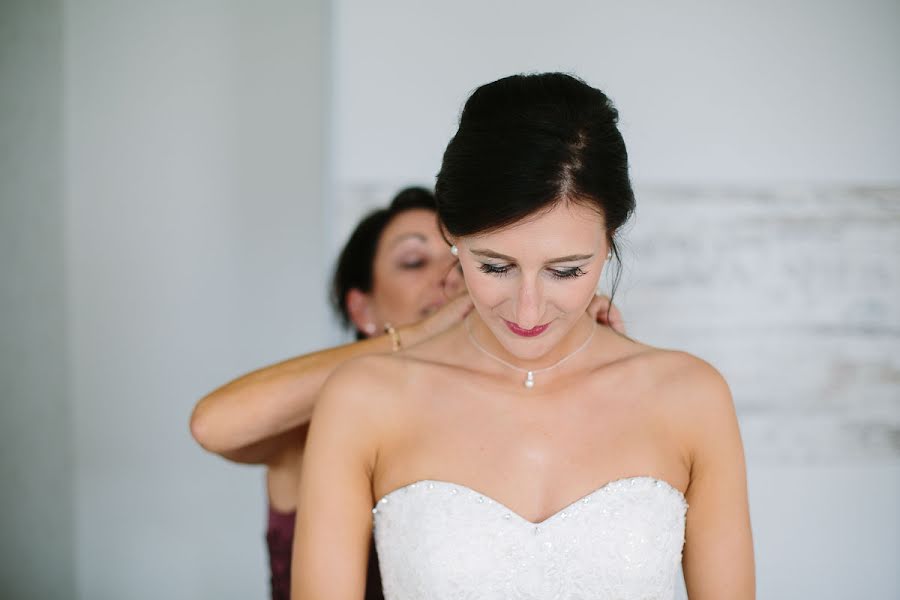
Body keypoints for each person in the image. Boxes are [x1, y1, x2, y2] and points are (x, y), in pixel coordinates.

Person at [291, 73, 755, 600]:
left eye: (566, 271)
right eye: (495, 266)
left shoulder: (692, 397)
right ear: (452, 237)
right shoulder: (363, 398)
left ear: (609, 243)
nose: (527, 309)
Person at [189, 187, 625, 599]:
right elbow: (213, 424)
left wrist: (577, 340)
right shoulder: (322, 418)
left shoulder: (494, 414)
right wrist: (419, 336)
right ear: (362, 308)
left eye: (462, 260)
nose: (446, 278)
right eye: (414, 261)